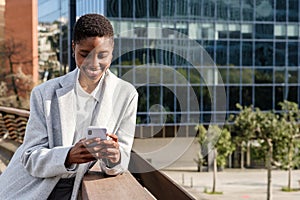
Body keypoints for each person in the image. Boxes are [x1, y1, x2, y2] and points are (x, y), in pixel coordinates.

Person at [0, 14, 138, 200]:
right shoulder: (44, 93)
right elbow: (29, 157)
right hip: (32, 188)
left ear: (112, 51)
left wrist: (114, 158)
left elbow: (121, 161)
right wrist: (68, 156)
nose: (94, 64)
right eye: (84, 54)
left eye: (103, 55)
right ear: (74, 48)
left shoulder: (126, 95)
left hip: (79, 188)